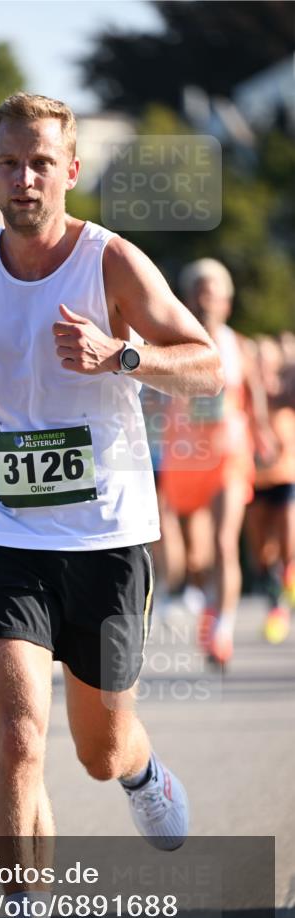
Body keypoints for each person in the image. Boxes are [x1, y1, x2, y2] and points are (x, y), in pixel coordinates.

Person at [0, 93, 223, 918]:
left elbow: (208, 365)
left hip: (105, 535)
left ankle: (138, 769)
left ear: (70, 171)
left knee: (97, 748)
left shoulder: (110, 261)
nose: (23, 179)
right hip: (3, 531)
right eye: (8, 163)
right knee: (18, 735)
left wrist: (120, 357)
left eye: (40, 163)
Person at [159, 259, 274, 668]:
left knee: (226, 542)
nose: (206, 301)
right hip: (184, 459)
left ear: (227, 302)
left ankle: (221, 628)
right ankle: (206, 599)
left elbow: (255, 394)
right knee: (197, 556)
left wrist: (264, 433)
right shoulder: (173, 343)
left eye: (214, 293)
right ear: (188, 300)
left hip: (229, 454)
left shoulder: (239, 346)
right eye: (199, 293)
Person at [245, 335, 295, 642]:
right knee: (262, 552)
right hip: (254, 478)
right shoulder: (248, 391)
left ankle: (288, 588)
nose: (262, 363)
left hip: (286, 474)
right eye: (258, 357)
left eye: (268, 357)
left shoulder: (286, 389)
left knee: (289, 542)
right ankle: (275, 603)